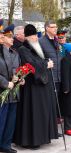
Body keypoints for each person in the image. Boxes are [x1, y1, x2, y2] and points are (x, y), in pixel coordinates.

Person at [13, 24, 58, 149]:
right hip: (31, 87)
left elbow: (40, 61)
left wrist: (47, 63)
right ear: (28, 37)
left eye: (36, 36)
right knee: (32, 113)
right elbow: (31, 65)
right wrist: (46, 65)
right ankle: (31, 140)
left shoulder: (37, 47)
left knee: (41, 112)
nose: (36, 38)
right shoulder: (23, 49)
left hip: (42, 86)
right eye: (33, 36)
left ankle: (42, 137)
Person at [39, 20, 63, 137]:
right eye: (53, 27)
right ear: (46, 28)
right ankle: (47, 130)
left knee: (55, 105)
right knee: (49, 105)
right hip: (48, 77)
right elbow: (39, 59)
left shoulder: (56, 41)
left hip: (58, 77)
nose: (55, 29)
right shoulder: (41, 41)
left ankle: (53, 130)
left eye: (56, 27)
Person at [0, 24, 21, 153]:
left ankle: (6, 145)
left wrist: (20, 79)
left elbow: (17, 70)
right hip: (2, 91)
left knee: (10, 120)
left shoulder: (14, 53)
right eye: (8, 36)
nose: (12, 39)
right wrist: (5, 83)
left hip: (13, 92)